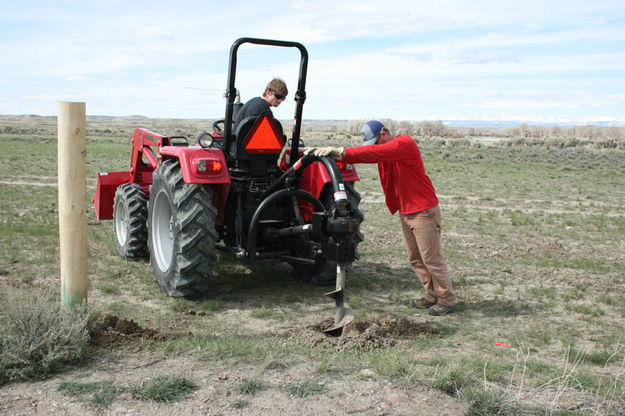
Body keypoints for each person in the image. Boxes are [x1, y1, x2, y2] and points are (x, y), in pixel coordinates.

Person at [308, 120, 456, 316]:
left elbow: (376, 153)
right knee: (416, 258)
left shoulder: (404, 144)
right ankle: (431, 295)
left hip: (423, 210)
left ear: (385, 132)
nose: (376, 146)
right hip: (407, 210)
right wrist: (333, 157)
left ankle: (446, 300)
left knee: (431, 258)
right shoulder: (386, 151)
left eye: (377, 141)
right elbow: (369, 155)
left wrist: (342, 151)